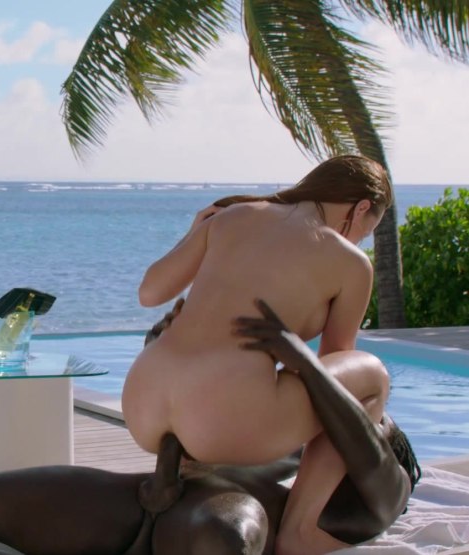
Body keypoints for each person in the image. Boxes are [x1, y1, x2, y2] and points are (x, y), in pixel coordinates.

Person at [0, 298, 421, 555]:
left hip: (207, 525)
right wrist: (164, 351)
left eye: (374, 416)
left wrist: (301, 358)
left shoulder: (385, 494)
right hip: (141, 502)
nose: (359, 413)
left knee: (223, 538)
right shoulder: (291, 460)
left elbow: (360, 439)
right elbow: (190, 431)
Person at [125, 154, 400, 553]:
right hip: (219, 419)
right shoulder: (349, 261)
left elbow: (149, 293)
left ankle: (190, 469)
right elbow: (332, 383)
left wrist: (194, 234)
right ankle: (300, 529)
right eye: (367, 230)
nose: (360, 240)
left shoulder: (232, 216)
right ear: (360, 209)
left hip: (142, 405)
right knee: (370, 377)